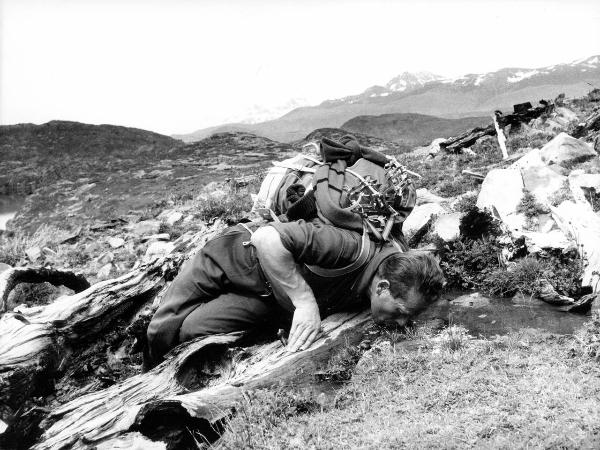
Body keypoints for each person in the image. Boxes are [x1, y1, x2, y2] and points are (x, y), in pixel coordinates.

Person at [146, 218, 445, 366]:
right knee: (161, 331)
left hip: (269, 293)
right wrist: (304, 302)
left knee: (190, 333)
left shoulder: (395, 269)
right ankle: (144, 380)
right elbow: (267, 239)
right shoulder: (346, 247)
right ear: (382, 288)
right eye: (403, 313)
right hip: (231, 259)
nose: (404, 324)